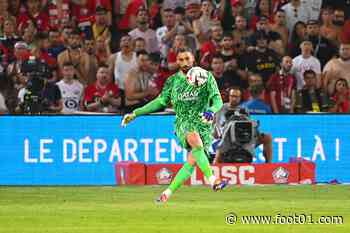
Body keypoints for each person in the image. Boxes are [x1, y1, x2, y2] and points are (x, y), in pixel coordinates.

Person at [121, 48, 228, 203]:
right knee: (196, 144)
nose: (184, 62)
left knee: (191, 161)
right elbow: (159, 102)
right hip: (184, 122)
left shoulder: (206, 77)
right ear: (177, 61)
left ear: (193, 60)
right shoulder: (172, 81)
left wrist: (211, 110)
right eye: (181, 59)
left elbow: (217, 100)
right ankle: (213, 180)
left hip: (204, 124)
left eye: (187, 58)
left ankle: (167, 193)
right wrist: (136, 113)